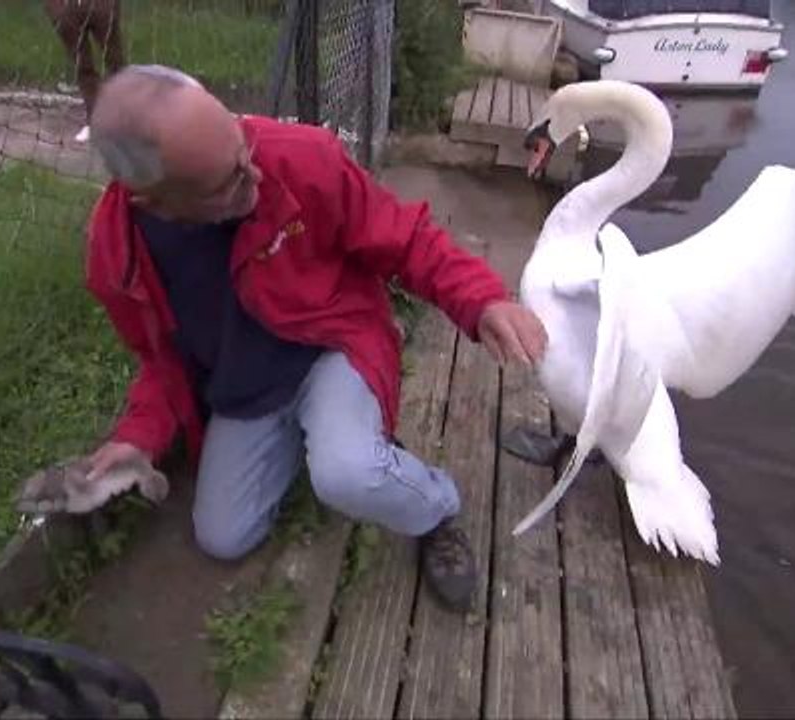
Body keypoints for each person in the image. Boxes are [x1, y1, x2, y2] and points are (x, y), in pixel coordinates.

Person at [78, 64, 548, 612]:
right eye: (228, 182)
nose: (255, 176)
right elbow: (162, 363)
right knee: (223, 537)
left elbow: (406, 239)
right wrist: (138, 437)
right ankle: (337, 441)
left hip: (332, 349)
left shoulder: (303, 158)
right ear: (153, 203)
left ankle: (433, 509)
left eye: (243, 145)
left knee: (346, 474)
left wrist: (482, 299)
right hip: (246, 390)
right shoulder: (117, 260)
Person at [43, 0, 124, 143]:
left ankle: (124, 116)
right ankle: (94, 120)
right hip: (64, 6)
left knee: (115, 61)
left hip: (101, 4)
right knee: (82, 64)